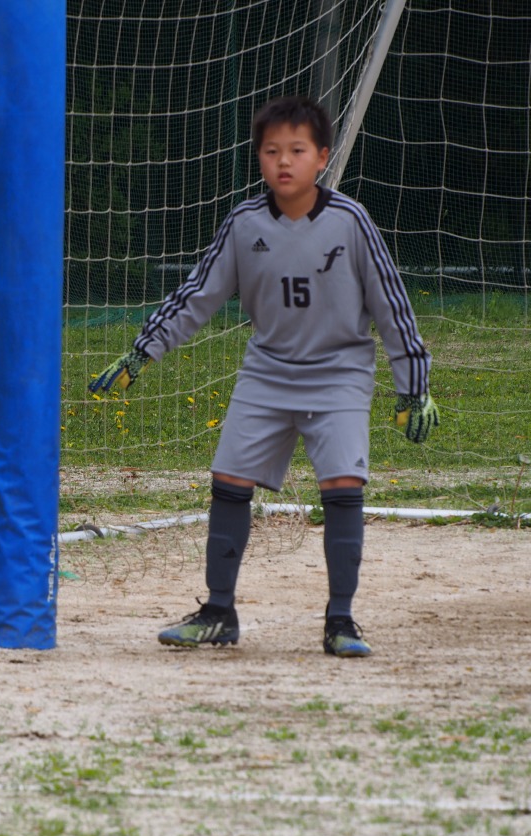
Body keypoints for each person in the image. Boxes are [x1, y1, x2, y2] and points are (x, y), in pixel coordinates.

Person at [89, 95, 439, 658]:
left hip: (339, 373)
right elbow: (197, 295)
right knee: (229, 477)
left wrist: (413, 386)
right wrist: (142, 351)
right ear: (259, 158)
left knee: (343, 485)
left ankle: (341, 620)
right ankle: (218, 612)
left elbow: (391, 303)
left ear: (321, 157)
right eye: (272, 151)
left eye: (297, 150)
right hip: (267, 371)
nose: (284, 161)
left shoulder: (351, 222)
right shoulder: (244, 223)